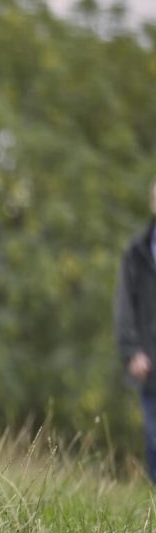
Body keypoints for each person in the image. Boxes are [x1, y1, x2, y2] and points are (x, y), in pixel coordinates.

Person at [114, 179, 156, 481]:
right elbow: (124, 305)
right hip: (149, 363)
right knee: (154, 437)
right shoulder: (137, 252)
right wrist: (132, 351)